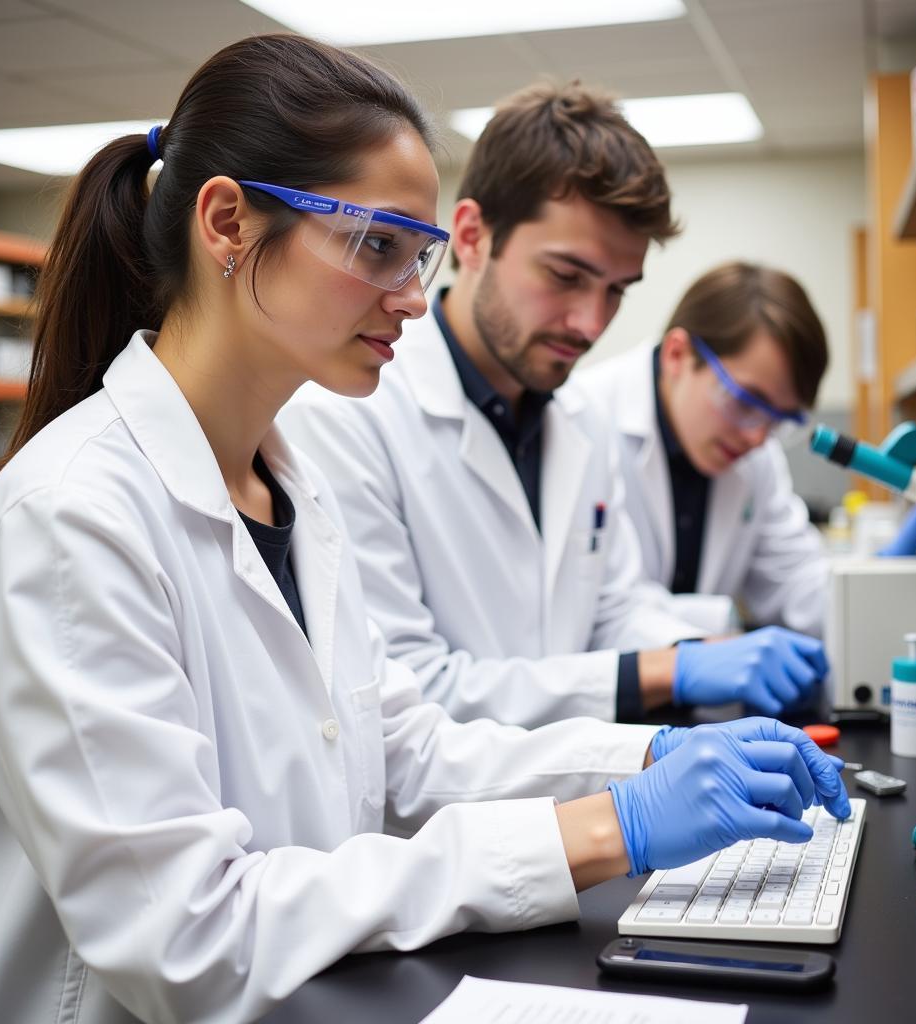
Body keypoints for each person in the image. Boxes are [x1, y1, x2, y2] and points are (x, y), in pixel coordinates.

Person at [0, 36, 849, 1024]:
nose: (410, 293)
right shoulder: (76, 514)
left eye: (419, 253)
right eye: (377, 246)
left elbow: (402, 751)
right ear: (226, 221)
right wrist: (604, 830)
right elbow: (184, 935)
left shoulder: (286, 486)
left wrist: (642, 763)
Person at [279, 83, 828, 727]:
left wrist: (700, 649)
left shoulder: (578, 417)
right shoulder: (349, 414)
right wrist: (666, 669)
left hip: (569, 798)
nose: (591, 323)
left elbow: (611, 607)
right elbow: (402, 692)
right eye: (566, 277)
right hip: (436, 822)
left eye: (617, 290)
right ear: (473, 236)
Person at [578, 262, 831, 646]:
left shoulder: (757, 452)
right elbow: (599, 605)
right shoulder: (585, 417)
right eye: (745, 402)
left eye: (780, 419)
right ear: (678, 355)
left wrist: (861, 596)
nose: (758, 437)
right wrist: (712, 633)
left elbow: (794, 578)